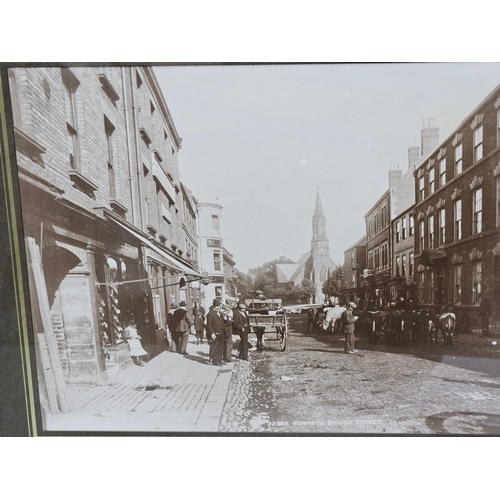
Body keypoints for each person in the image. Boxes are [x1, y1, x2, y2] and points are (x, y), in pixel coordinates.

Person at [206, 298, 225, 365]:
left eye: (219, 306)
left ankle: (220, 360)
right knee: (215, 347)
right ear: (213, 306)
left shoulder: (220, 313)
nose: (218, 307)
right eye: (216, 306)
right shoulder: (210, 314)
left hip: (221, 332)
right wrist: (212, 333)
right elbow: (209, 325)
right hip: (215, 333)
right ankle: (215, 361)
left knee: (221, 347)